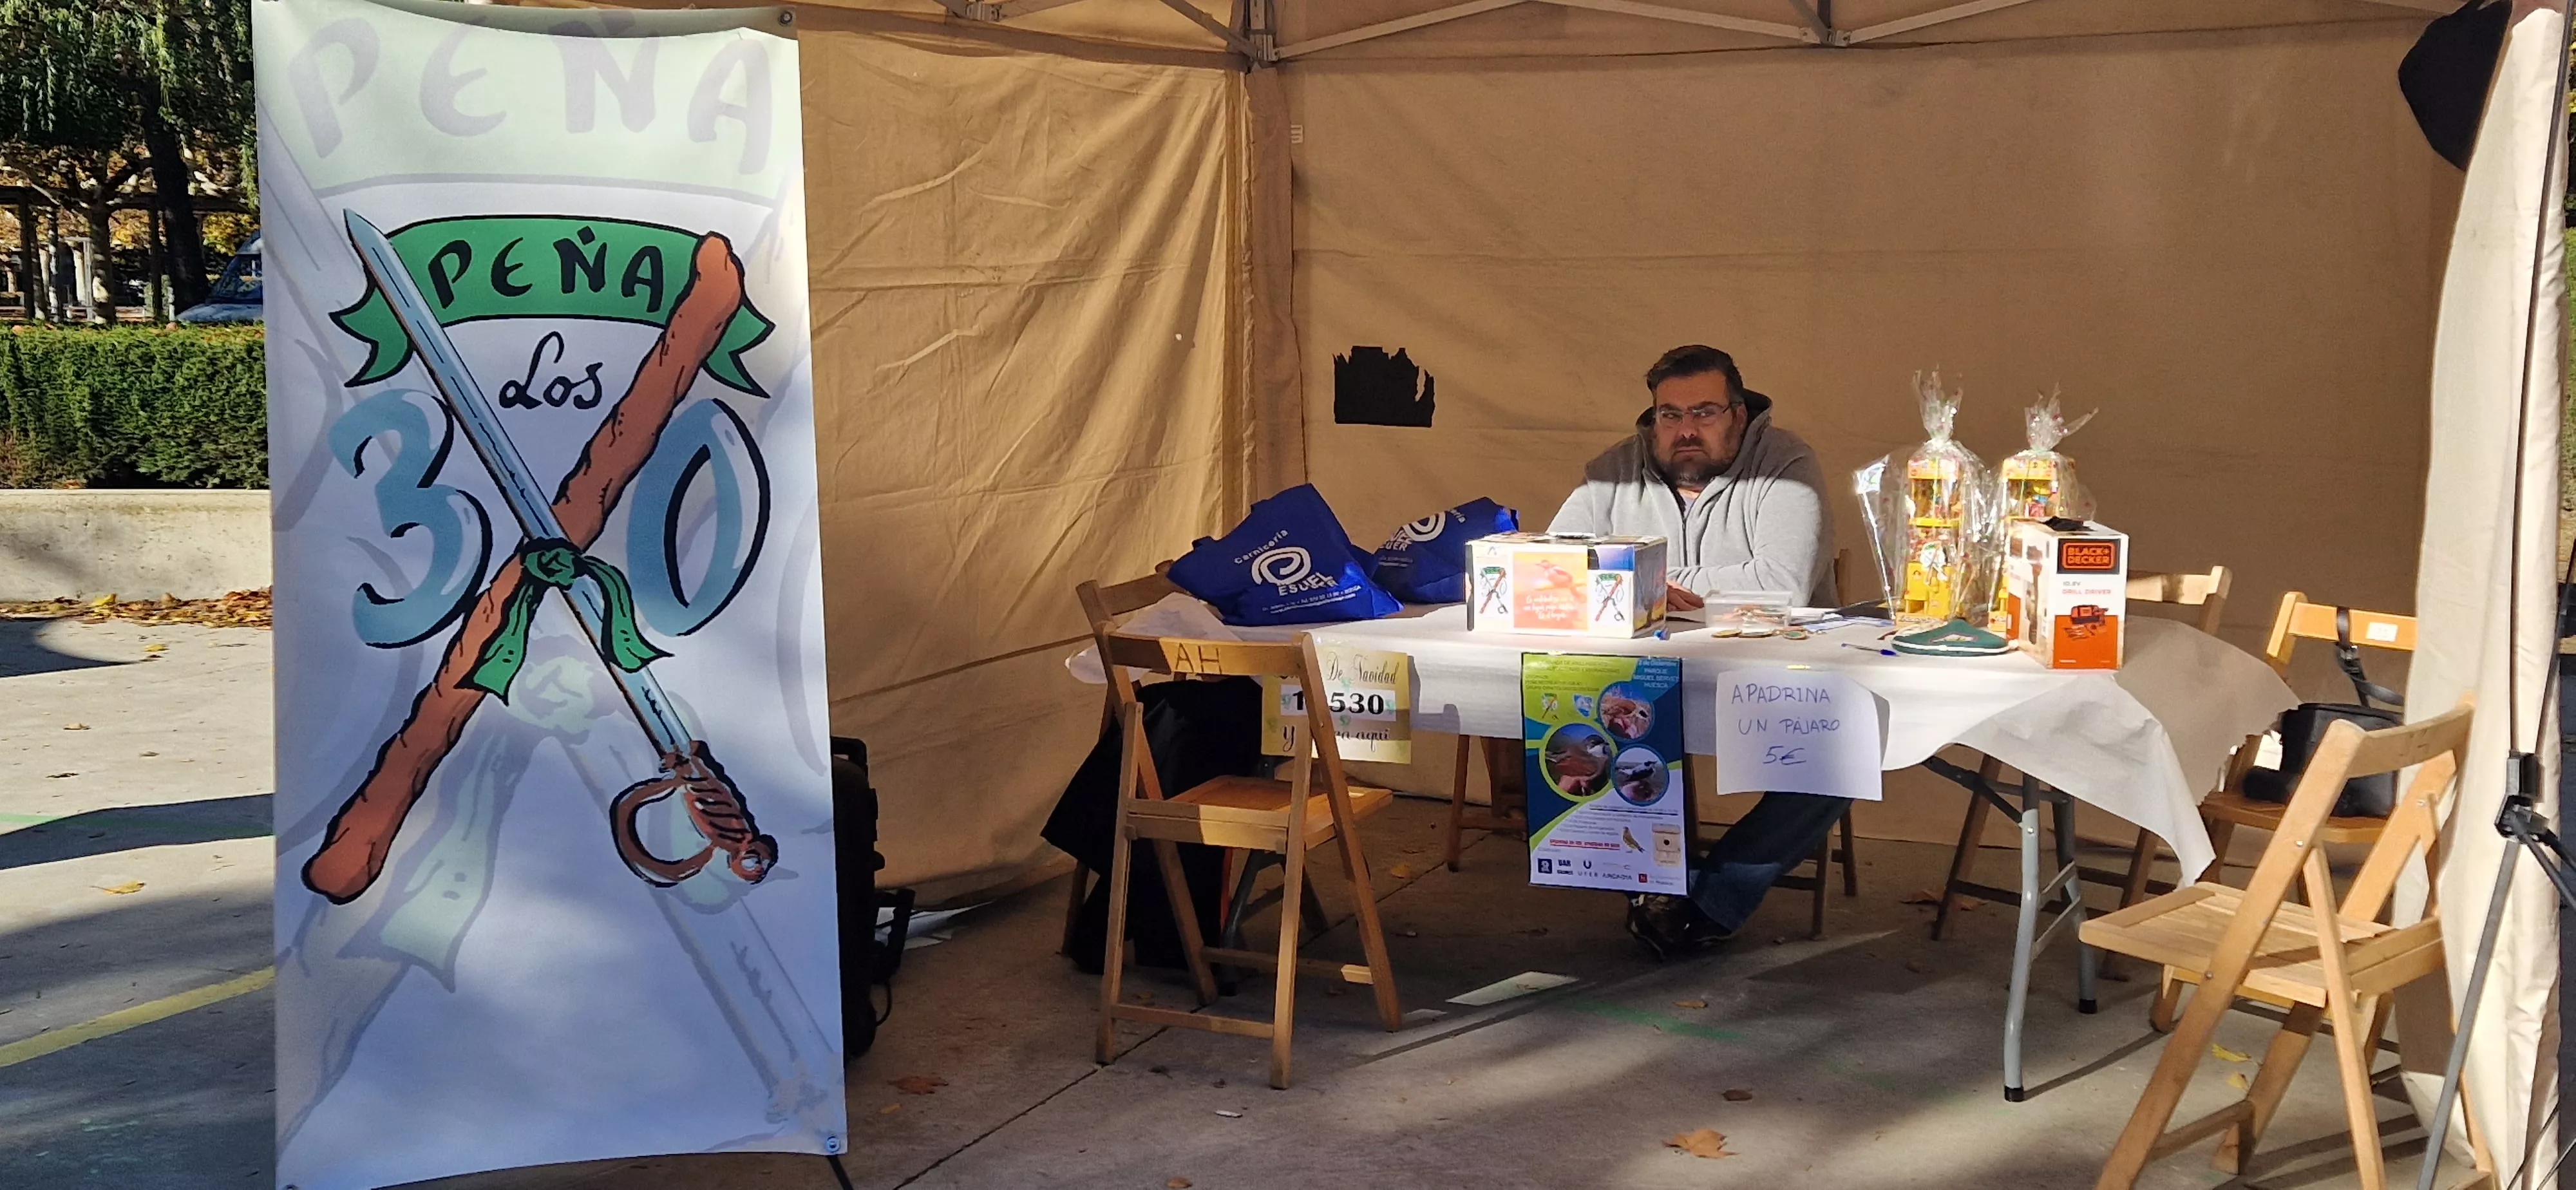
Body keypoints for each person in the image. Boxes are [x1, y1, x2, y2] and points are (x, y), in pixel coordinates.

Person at [1549, 344, 1848, 959]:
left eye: (1705, 412)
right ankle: (1649, 887)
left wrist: (1642, 572)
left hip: (1771, 669)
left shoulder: (1786, 464)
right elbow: (1556, 565)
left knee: (1839, 749)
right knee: (1591, 721)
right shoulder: (1613, 470)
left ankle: (1707, 897)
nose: (1686, 429)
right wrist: (1667, 579)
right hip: (1642, 672)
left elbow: (1782, 583)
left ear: (1739, 413)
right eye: (1669, 414)